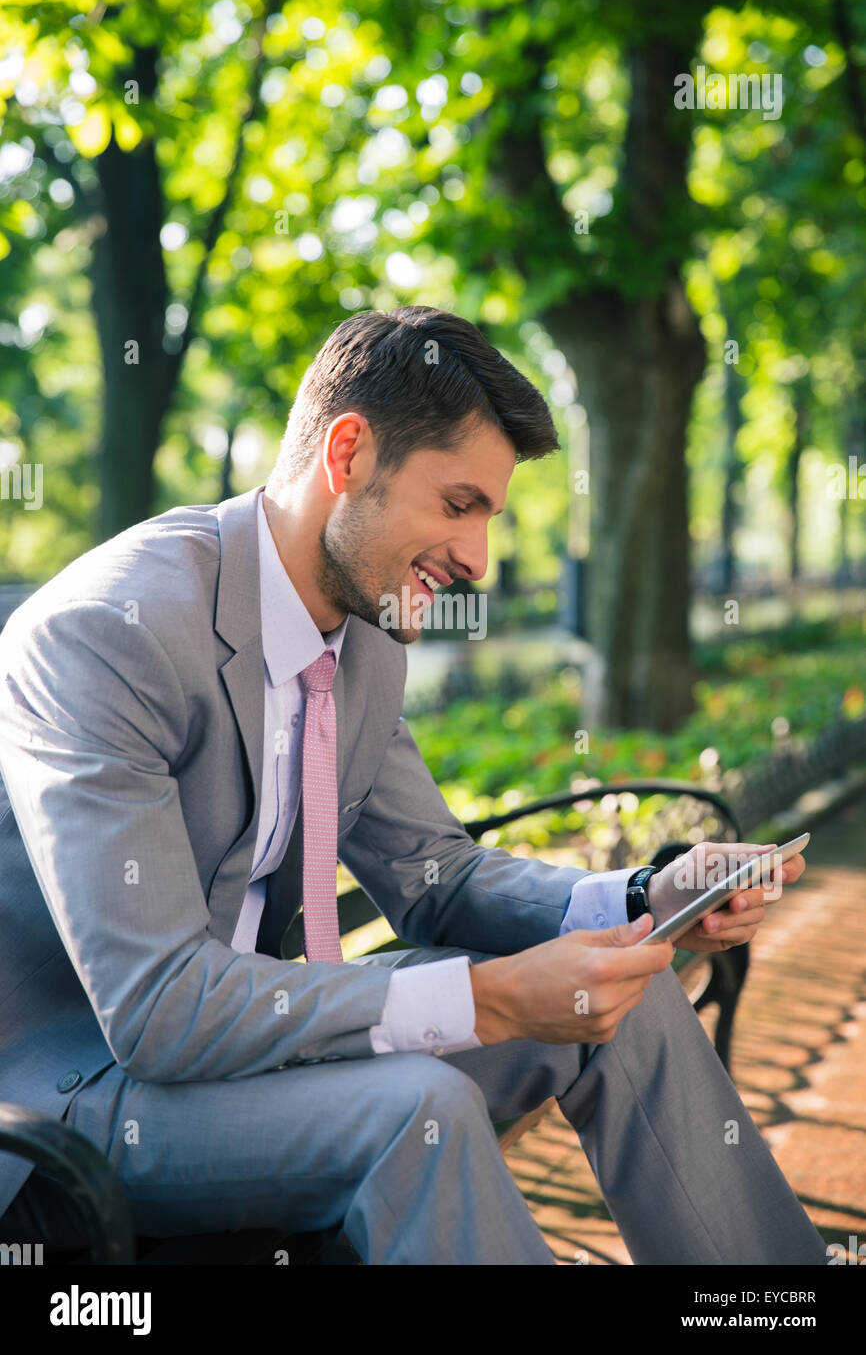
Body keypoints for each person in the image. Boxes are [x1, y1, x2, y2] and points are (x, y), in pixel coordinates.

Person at [0, 306, 826, 1265]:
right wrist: (490, 1000)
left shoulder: (361, 638)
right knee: (416, 1110)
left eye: (488, 517)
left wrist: (643, 898)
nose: (478, 559)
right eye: (458, 503)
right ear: (348, 454)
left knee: (623, 999)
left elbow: (435, 877)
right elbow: (157, 1011)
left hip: (269, 1044)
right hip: (82, 1102)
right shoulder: (108, 635)